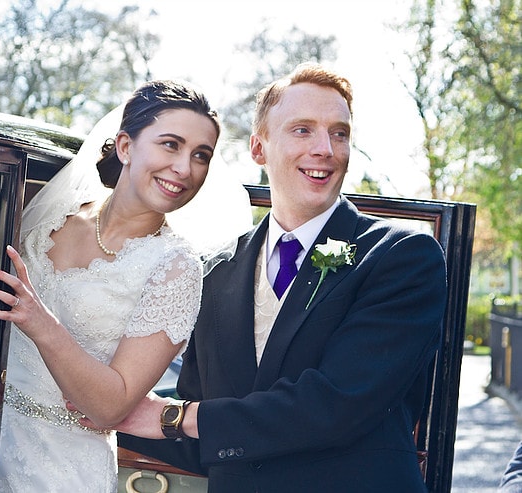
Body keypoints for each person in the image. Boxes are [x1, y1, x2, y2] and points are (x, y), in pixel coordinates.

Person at [108, 63, 448, 492]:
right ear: (258, 148)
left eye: (339, 133)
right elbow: (210, 434)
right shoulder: (213, 270)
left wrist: (172, 416)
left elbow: (338, 405)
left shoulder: (401, 256)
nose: (325, 148)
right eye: (302, 130)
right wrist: (94, 411)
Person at [0, 80, 251, 492]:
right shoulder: (49, 217)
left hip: (62, 470)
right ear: (125, 147)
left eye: (201, 155)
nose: (185, 168)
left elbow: (112, 405)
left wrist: (43, 326)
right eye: (170, 145)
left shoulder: (175, 267)